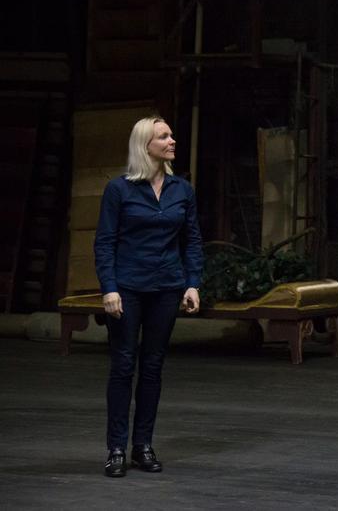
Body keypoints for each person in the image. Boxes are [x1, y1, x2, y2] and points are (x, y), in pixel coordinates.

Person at [94, 116, 203, 477]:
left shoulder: (182, 190)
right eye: (164, 136)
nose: (172, 141)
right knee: (123, 365)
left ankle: (142, 446)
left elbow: (192, 241)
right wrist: (109, 288)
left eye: (171, 135)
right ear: (146, 145)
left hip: (166, 288)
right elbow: (105, 242)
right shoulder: (119, 190)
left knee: (153, 367)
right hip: (127, 288)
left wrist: (192, 283)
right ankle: (116, 448)